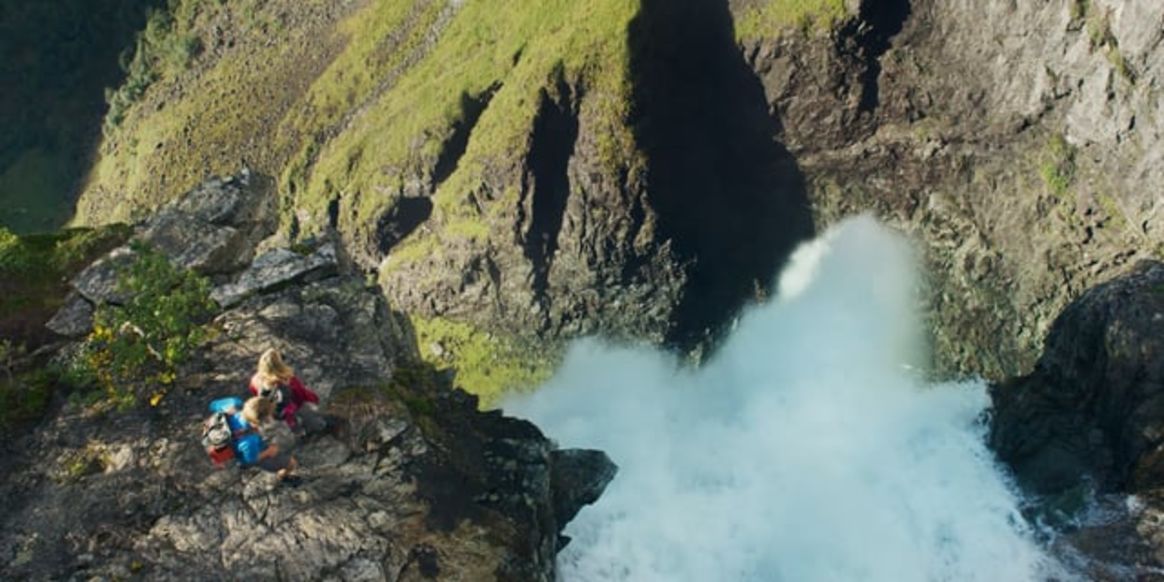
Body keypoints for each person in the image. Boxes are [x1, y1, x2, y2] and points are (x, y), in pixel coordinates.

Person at [248, 348, 328, 435]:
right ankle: (321, 427)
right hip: (293, 406)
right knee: (307, 415)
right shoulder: (286, 380)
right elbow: (300, 394)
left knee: (290, 420)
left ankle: (299, 432)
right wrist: (314, 398)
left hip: (276, 411)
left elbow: (257, 396)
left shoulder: (254, 380)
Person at [240, 396, 299, 482]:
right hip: (261, 455)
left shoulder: (243, 418)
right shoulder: (252, 439)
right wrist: (267, 453)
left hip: (261, 446)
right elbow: (250, 460)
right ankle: (282, 476)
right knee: (292, 463)